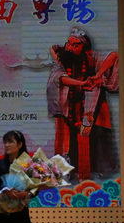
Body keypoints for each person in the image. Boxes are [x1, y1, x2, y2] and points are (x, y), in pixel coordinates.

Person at [48, 27, 119, 181]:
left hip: (92, 105)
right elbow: (60, 78)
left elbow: (113, 56)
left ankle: (92, 171)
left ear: (84, 48)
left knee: (96, 136)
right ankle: (70, 171)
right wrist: (80, 83)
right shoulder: (62, 60)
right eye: (69, 44)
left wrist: (98, 75)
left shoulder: (92, 58)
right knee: (70, 139)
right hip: (70, 106)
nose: (70, 47)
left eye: (75, 45)